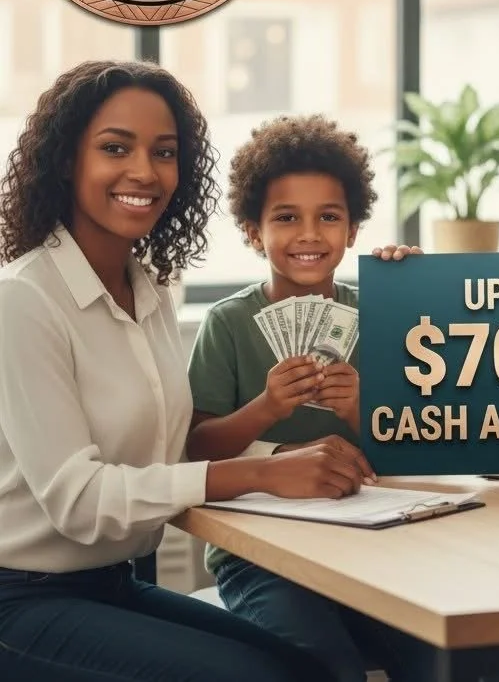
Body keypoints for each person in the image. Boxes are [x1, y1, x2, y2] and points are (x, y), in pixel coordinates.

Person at [0, 61, 364, 682]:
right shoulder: (23, 299)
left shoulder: (152, 293)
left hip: (115, 583)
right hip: (24, 599)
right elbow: (80, 502)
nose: (144, 171)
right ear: (66, 160)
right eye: (116, 148)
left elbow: (166, 453)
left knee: (309, 669)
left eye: (163, 152)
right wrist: (263, 470)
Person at [186, 115, 423, 682]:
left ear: (354, 231)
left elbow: (425, 440)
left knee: (441, 651)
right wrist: (266, 408)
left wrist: (359, 410)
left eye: (330, 217)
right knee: (326, 666)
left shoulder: (382, 312)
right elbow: (195, 449)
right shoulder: (228, 323)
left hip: (377, 539)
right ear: (252, 230)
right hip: (261, 556)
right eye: (286, 218)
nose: (310, 235)